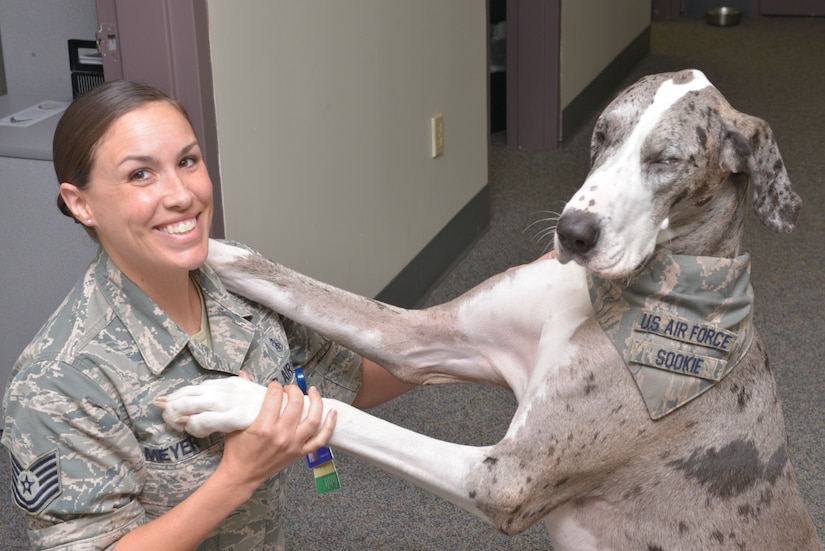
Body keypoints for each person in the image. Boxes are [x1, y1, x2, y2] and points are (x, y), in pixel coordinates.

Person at [1, 80, 412, 551]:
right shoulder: (59, 381)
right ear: (81, 204)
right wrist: (238, 476)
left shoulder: (235, 278)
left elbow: (342, 378)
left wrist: (480, 350)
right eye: (140, 175)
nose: (182, 195)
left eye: (187, 161)